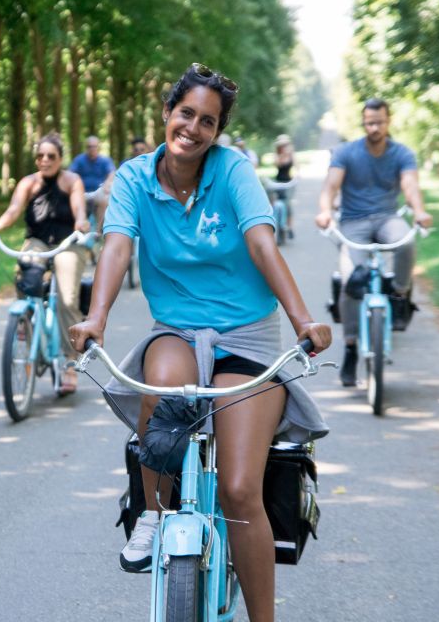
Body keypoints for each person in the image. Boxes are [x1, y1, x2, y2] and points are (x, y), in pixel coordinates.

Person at [68, 63, 331, 622]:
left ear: (217, 131)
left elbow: (262, 243)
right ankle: (154, 514)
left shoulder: (232, 170)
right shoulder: (136, 178)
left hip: (248, 337)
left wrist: (303, 319)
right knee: (160, 397)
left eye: (207, 121)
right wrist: (96, 319)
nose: (193, 127)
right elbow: (115, 248)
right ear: (167, 113)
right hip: (177, 331)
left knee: (239, 490)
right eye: (185, 113)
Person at [315, 97, 433, 387]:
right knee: (350, 281)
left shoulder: (402, 153)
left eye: (379, 122)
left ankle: (401, 295)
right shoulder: (347, 152)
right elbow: (331, 186)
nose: (374, 127)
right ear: (363, 122)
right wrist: (326, 212)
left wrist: (418, 211)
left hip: (387, 218)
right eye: (369, 122)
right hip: (353, 222)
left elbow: (410, 185)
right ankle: (352, 348)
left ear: (388, 121)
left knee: (405, 243)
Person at [0, 133, 90, 394]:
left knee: (67, 298)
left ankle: (69, 362)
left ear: (60, 158)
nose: (45, 160)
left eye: (51, 156)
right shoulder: (28, 183)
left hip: (68, 243)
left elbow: (79, 210)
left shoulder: (71, 181)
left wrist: (81, 224)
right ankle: (25, 327)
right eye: (40, 156)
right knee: (27, 278)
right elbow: (13, 210)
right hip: (37, 241)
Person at [69, 135, 116, 234]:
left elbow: (112, 173)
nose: (92, 149)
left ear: (98, 147)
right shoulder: (79, 160)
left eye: (94, 146)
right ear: (86, 148)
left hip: (98, 192)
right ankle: (77, 231)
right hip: (82, 192)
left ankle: (97, 232)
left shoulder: (105, 160)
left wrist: (107, 184)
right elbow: (71, 174)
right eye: (89, 146)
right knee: (72, 200)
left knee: (104, 199)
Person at [271, 133, 296, 239]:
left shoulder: (291, 154)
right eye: (282, 145)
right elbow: (277, 164)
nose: (284, 146)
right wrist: (282, 155)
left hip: (289, 182)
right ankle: (278, 226)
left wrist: (298, 176)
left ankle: (289, 227)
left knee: (289, 205)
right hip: (278, 182)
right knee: (276, 204)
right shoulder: (277, 155)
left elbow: (297, 166)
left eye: (285, 144)